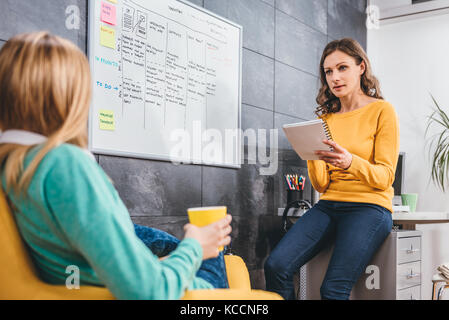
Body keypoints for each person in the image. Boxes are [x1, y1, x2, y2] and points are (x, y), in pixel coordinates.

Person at [0, 31, 232, 299]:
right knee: (214, 254)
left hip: (89, 280)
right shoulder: (64, 164)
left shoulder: (15, 162)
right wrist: (195, 245)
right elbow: (150, 292)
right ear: (71, 98)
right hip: (167, 293)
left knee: (159, 238)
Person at [264, 38, 399, 300]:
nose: (334, 77)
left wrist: (350, 162)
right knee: (276, 266)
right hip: (329, 205)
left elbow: (385, 177)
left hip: (370, 207)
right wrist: (312, 153)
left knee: (332, 289)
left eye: (342, 68)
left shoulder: (383, 111)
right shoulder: (325, 118)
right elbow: (321, 185)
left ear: (361, 67)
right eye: (328, 72)